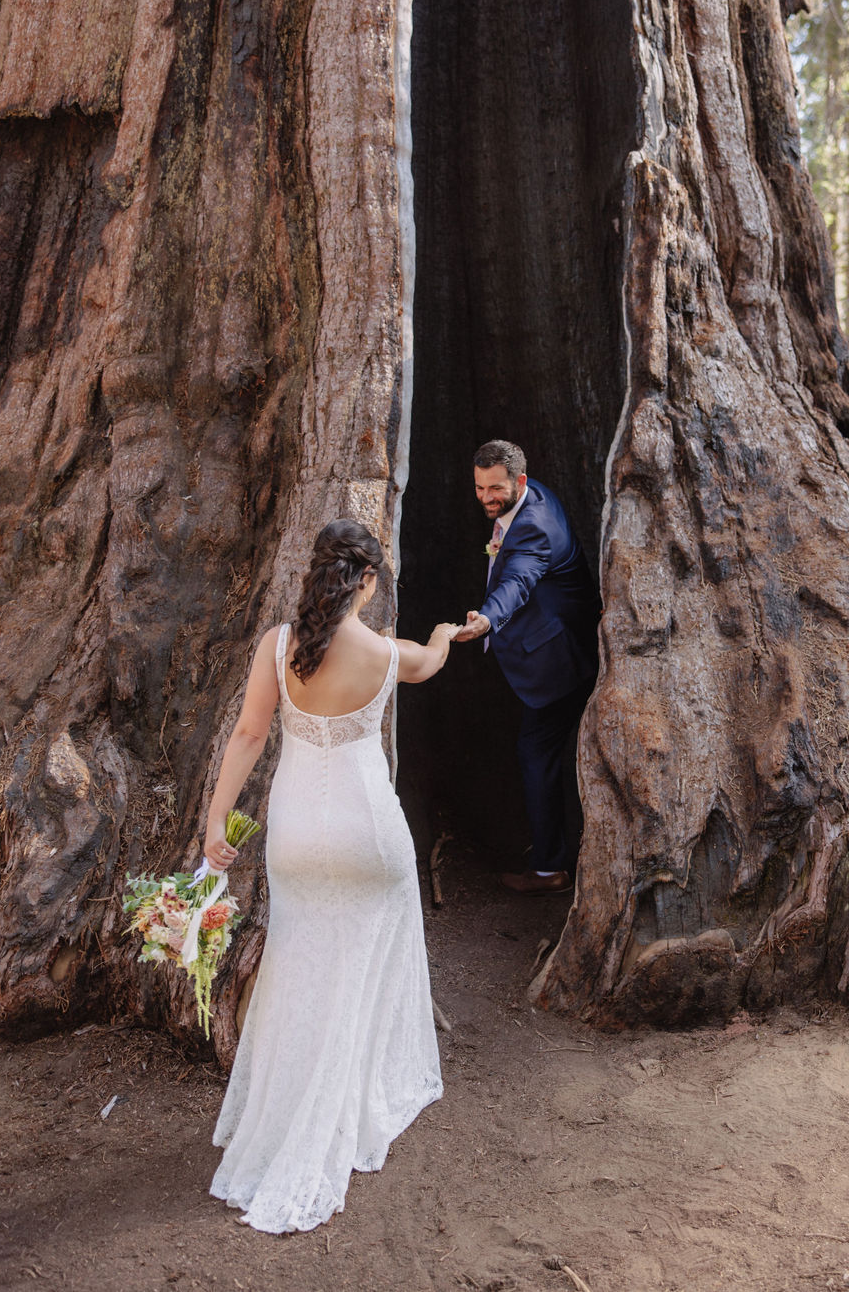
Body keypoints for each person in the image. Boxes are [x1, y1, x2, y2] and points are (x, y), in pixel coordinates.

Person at [204, 518, 458, 1234]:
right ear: (368, 581)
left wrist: (217, 819)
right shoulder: (383, 652)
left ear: (317, 572)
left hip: (294, 838)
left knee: (298, 968)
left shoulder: (277, 647)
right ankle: (348, 1100)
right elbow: (427, 660)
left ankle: (288, 1109)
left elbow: (249, 734)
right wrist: (445, 636)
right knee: (368, 961)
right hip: (368, 836)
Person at [454, 440, 600, 893]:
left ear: (519, 480)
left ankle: (549, 868)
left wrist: (487, 620)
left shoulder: (533, 526)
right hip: (552, 637)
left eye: (494, 488)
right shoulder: (530, 493)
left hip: (558, 661)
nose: (485, 498)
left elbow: (519, 578)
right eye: (479, 487)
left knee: (537, 754)